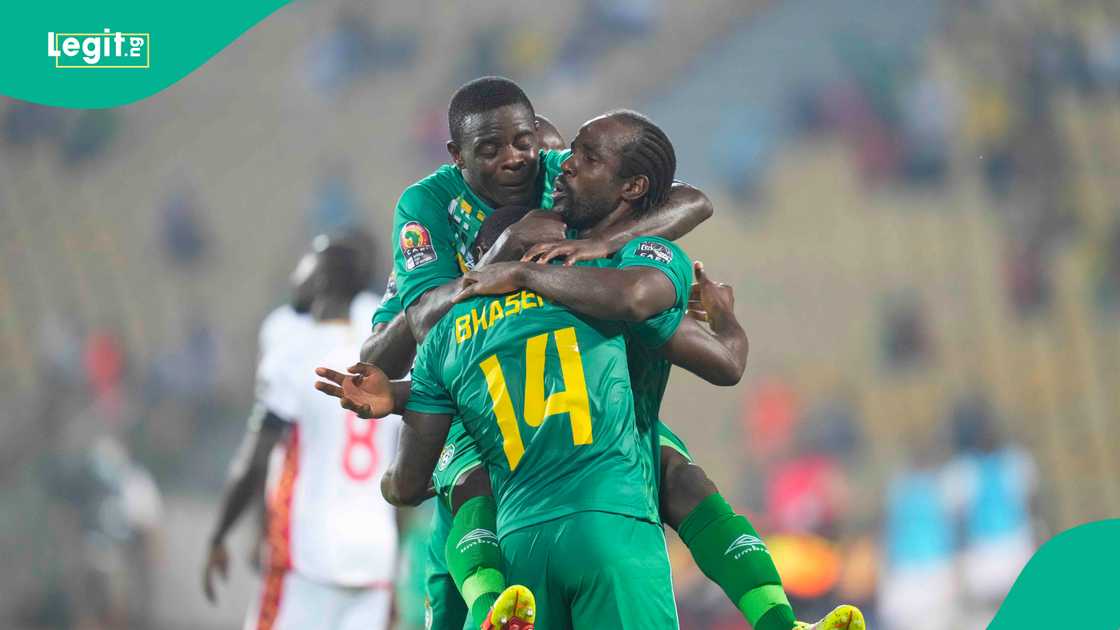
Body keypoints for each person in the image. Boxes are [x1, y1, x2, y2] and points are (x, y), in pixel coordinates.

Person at [321, 110, 864, 629]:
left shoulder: (465, 309)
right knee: (670, 472)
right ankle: (776, 618)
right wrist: (723, 319)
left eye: (553, 155)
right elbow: (721, 357)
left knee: (484, 481)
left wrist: (403, 390)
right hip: (604, 508)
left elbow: (406, 465)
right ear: (458, 158)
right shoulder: (594, 276)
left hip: (514, 507)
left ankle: (491, 603)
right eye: (559, 157)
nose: (553, 168)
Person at [204, 235, 400, 630]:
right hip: (375, 554)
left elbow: (256, 457)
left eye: (305, 263)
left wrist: (220, 533)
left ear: (323, 278)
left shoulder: (293, 353)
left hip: (308, 553)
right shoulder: (389, 361)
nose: (295, 275)